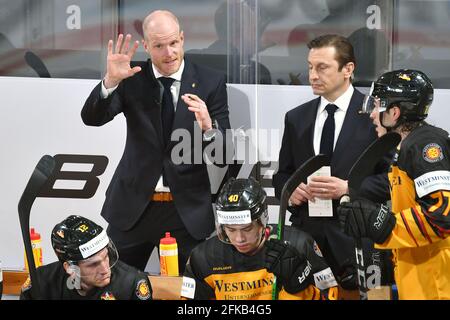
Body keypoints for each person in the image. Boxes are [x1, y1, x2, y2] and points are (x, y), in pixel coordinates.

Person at [81, 10, 231, 272]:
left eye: (173, 43)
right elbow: (92, 118)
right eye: (159, 45)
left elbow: (224, 154)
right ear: (147, 46)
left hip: (186, 212)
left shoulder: (210, 81)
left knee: (193, 290)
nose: (168, 52)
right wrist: (111, 81)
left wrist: (209, 127)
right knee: (112, 284)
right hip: (133, 208)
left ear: (182, 39)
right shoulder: (131, 78)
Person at [272, 34, 391, 295]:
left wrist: (349, 188)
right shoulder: (296, 118)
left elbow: (392, 180)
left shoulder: (375, 117)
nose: (313, 75)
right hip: (306, 238)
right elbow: (282, 174)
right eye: (310, 67)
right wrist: (290, 190)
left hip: (357, 239)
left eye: (322, 67)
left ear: (348, 69)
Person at [338, 69, 450, 299]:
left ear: (395, 112)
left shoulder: (424, 145)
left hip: (436, 279)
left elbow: (442, 214)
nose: (371, 114)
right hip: (419, 270)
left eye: (376, 105)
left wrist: (383, 225)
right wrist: (387, 250)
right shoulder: (405, 146)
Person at [181, 177, 338, 300]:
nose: (239, 238)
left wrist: (298, 287)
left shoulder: (299, 244)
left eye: (247, 229)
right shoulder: (203, 257)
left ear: (262, 222)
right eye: (230, 229)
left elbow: (330, 295)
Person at [20, 215, 152, 300]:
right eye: (93, 264)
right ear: (70, 268)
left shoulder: (132, 284)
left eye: (106, 257)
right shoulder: (41, 282)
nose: (105, 269)